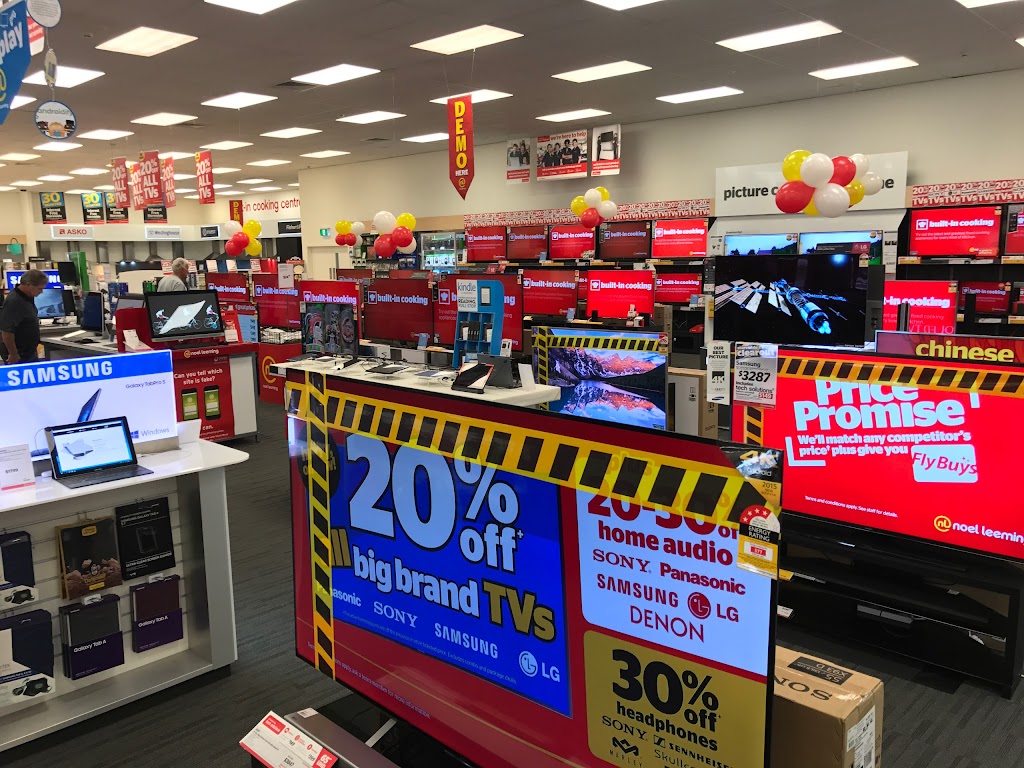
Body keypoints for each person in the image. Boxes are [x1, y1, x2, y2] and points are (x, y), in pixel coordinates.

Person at [0, 269, 48, 365]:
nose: (41, 292)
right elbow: (6, 332)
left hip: (28, 352)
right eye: (39, 289)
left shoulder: (27, 297)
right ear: (28, 285)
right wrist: (13, 353)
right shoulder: (15, 301)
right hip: (19, 354)